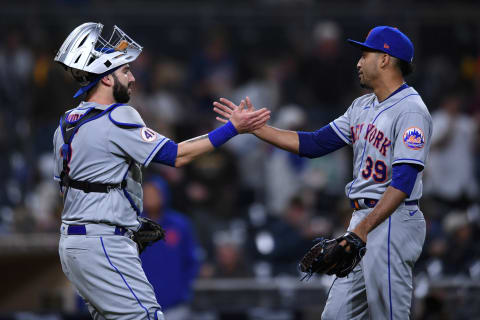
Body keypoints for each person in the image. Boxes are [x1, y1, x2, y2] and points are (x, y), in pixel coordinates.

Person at [53, 22, 270, 320]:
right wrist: (232, 128)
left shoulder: (66, 122)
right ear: (105, 79)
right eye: (125, 71)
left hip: (73, 244)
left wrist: (123, 218)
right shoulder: (119, 115)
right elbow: (176, 155)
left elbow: (70, 186)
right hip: (103, 241)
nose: (131, 78)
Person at [214, 26, 432, 319]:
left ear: (384, 59)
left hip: (392, 219)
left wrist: (361, 231)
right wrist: (255, 128)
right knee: (335, 315)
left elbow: (403, 183)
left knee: (389, 315)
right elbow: (315, 144)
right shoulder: (361, 106)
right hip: (364, 221)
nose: (358, 62)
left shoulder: (411, 110)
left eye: (365, 54)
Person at [141, 176, 199, 320]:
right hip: (140, 305)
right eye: (146, 194)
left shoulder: (180, 224)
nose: (150, 198)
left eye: (154, 193)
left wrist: (183, 290)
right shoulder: (132, 226)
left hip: (175, 305)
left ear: (164, 194)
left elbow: (192, 260)